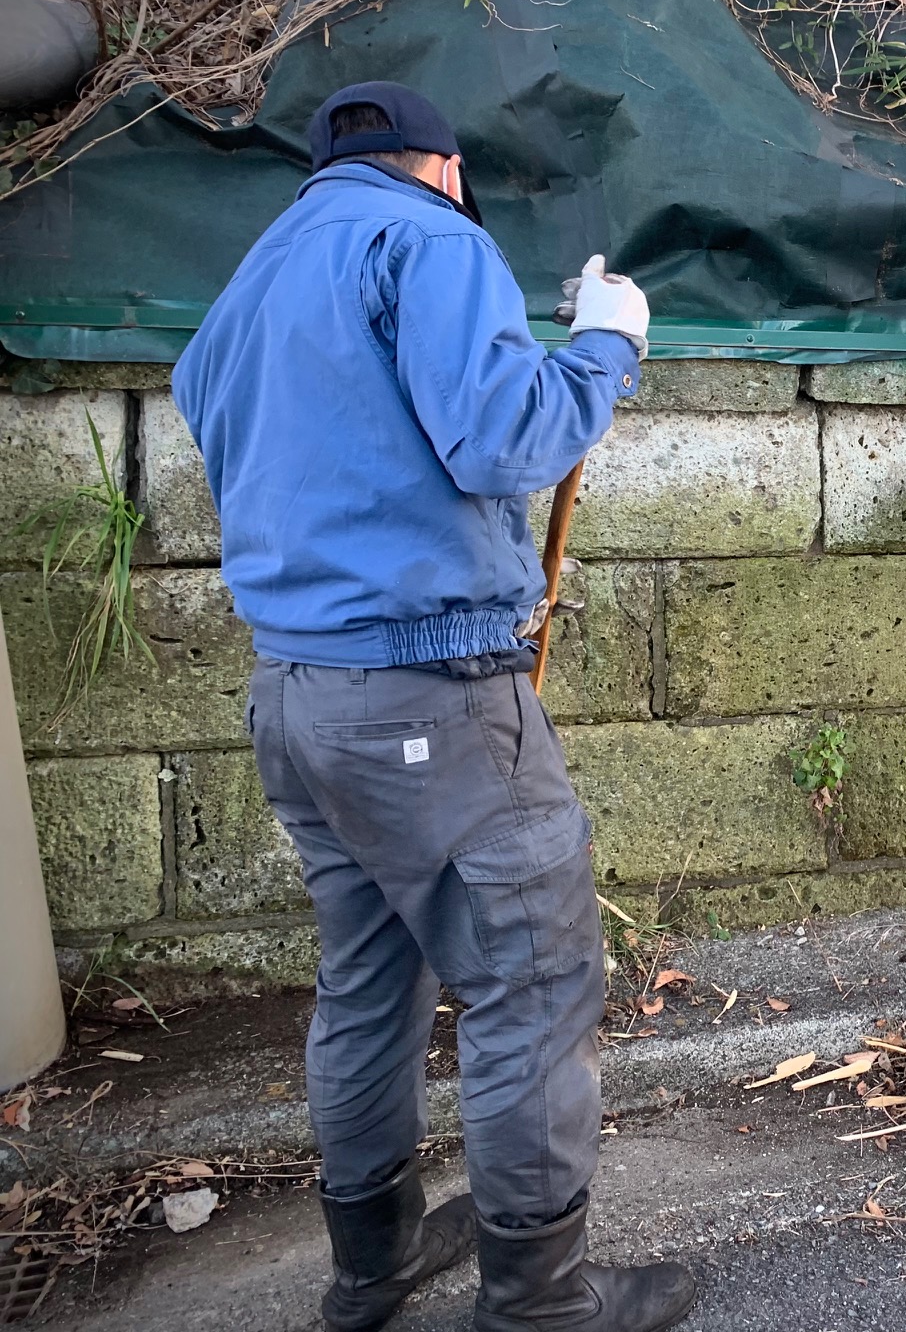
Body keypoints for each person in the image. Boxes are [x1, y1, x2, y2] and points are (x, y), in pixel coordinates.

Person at [172, 82, 696, 1332]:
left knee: (370, 981)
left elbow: (215, 425)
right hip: (429, 699)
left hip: (297, 698)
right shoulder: (430, 240)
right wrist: (606, 342)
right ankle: (540, 1303)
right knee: (530, 983)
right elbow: (505, 438)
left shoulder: (254, 279)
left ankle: (373, 1268)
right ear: (446, 170)